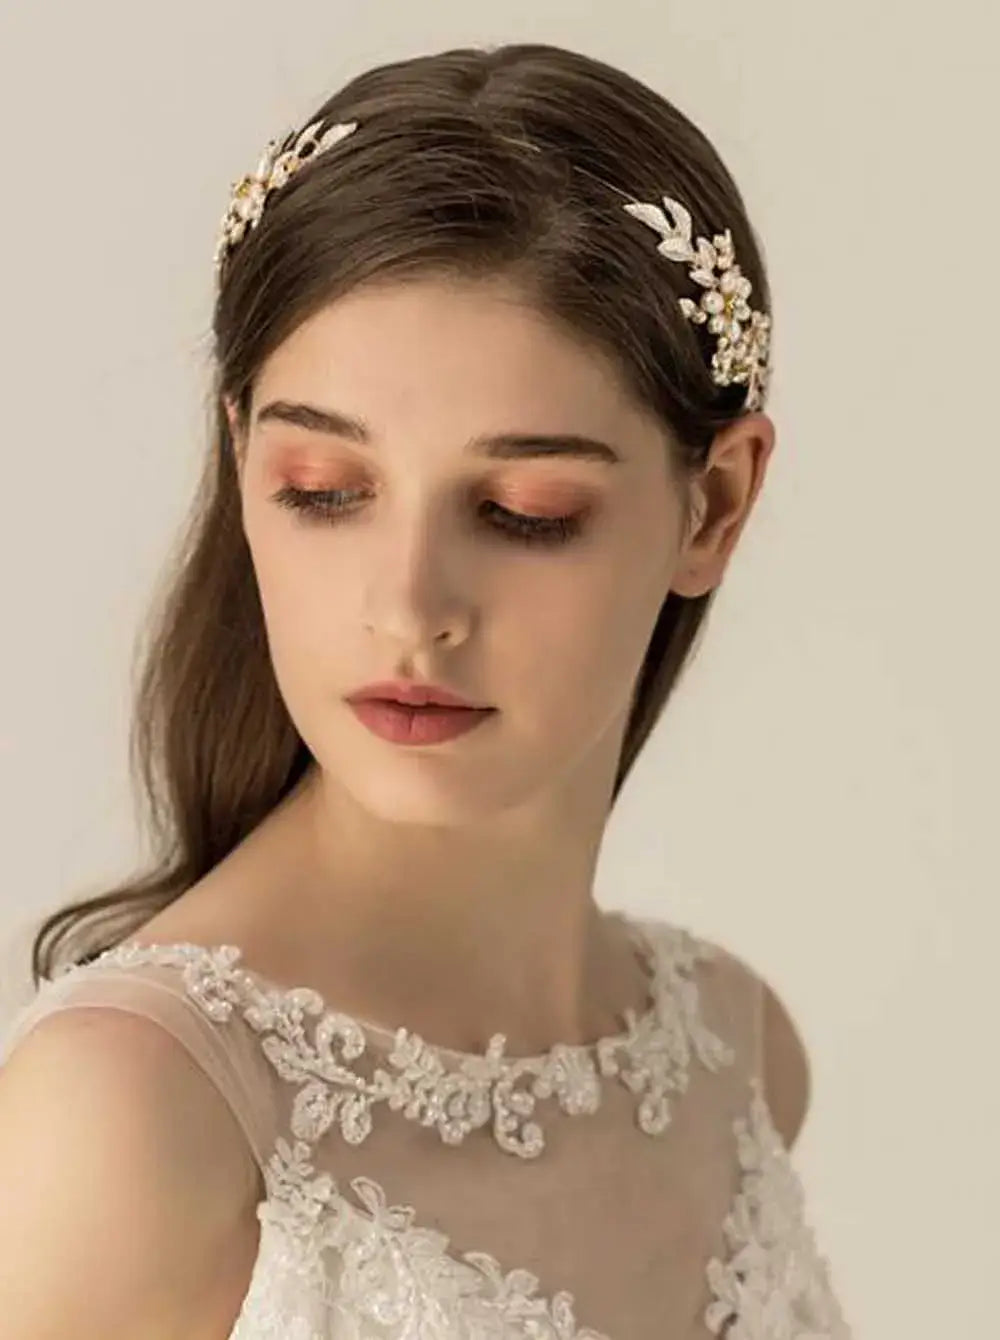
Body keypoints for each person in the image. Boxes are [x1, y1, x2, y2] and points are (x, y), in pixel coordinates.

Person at [0, 40, 852, 1339]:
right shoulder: (131, 1119)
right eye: (323, 492)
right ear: (242, 460)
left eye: (524, 510)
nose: (408, 606)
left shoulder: (740, 1062)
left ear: (716, 503)